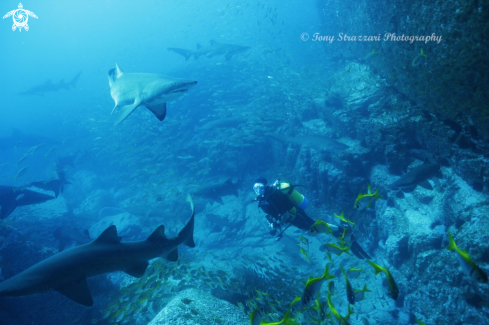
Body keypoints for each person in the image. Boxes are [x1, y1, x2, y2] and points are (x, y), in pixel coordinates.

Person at [253, 177, 371, 259]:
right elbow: (273, 213)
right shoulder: (266, 199)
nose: (258, 191)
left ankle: (343, 230)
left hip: (296, 215)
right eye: (255, 188)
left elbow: (284, 212)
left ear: (265, 186)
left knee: (314, 226)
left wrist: (277, 222)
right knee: (314, 227)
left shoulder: (274, 195)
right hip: (293, 218)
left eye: (260, 187)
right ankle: (339, 232)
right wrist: (273, 221)